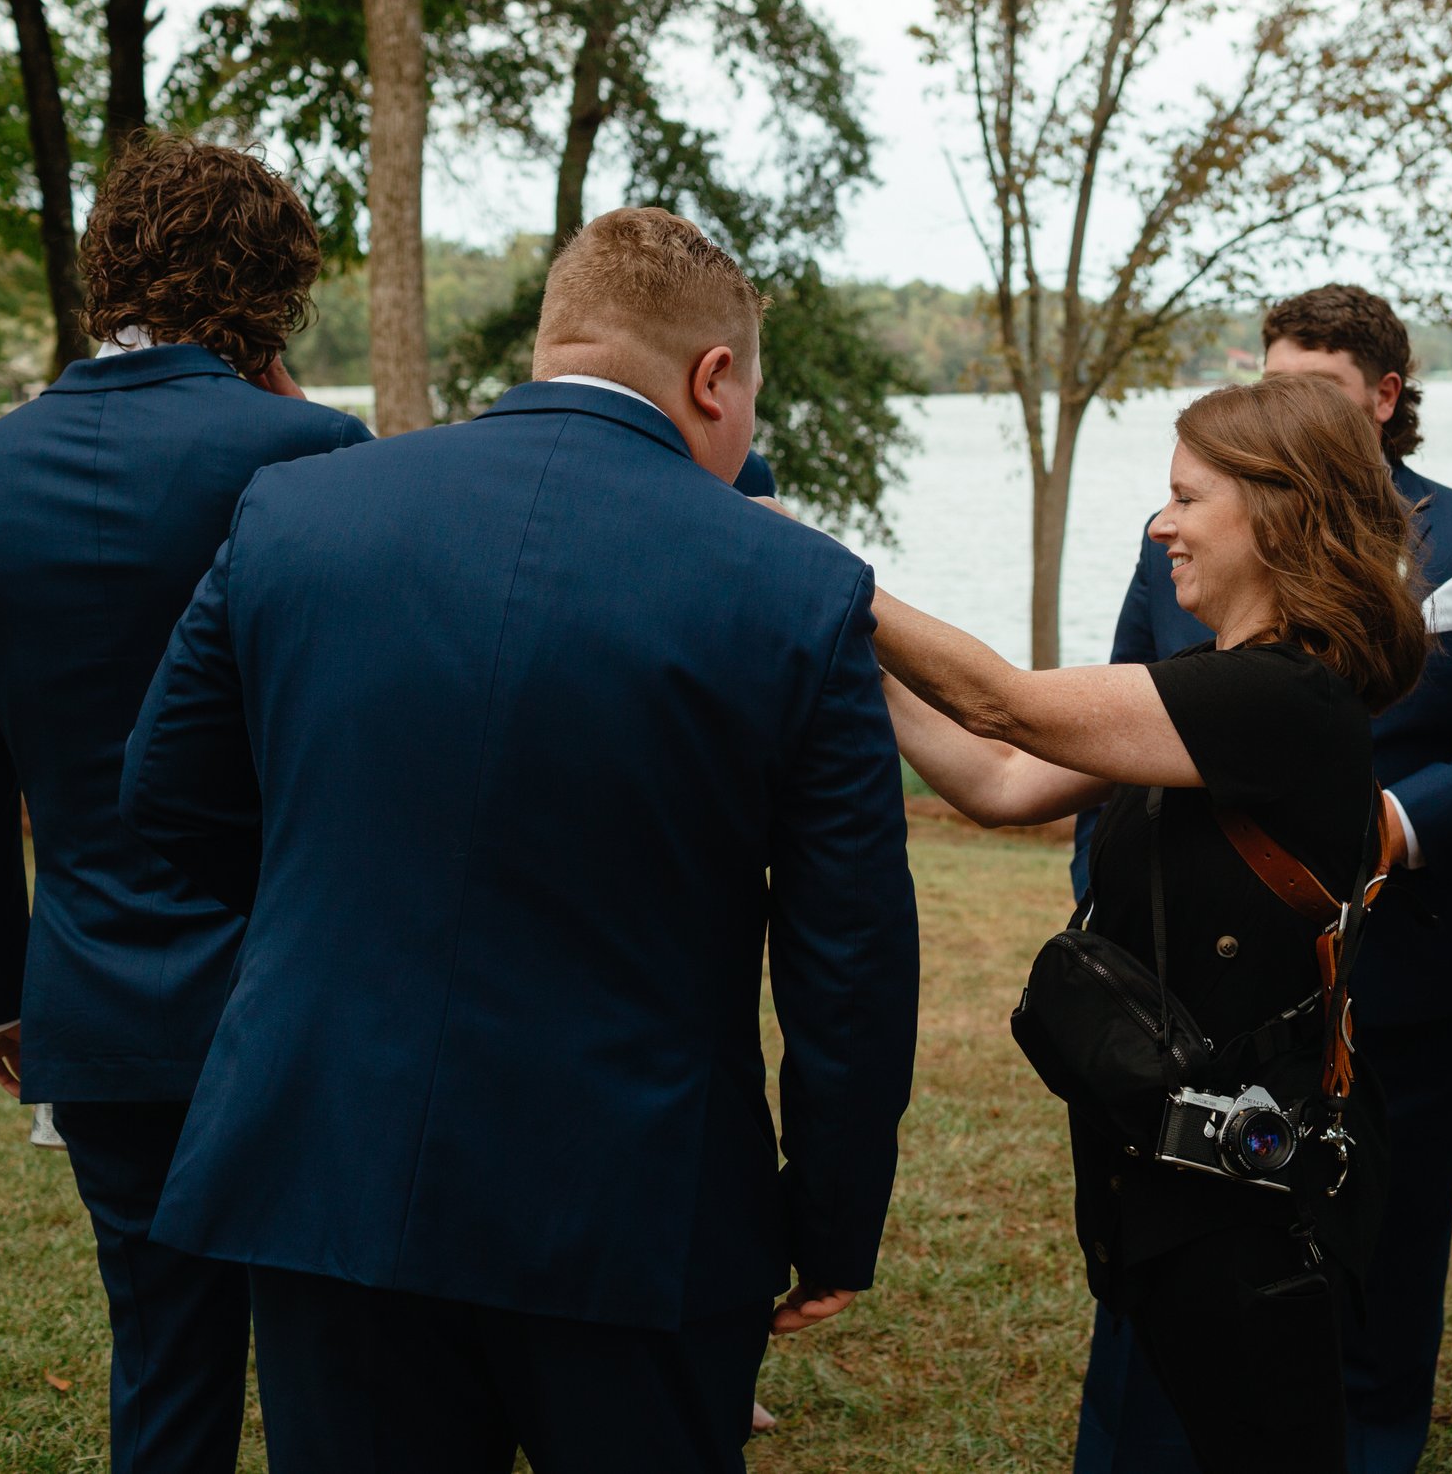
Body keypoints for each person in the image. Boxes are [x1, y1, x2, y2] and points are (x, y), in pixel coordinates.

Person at [117, 208, 917, 1472]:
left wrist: (330, 904)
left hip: (333, 1168)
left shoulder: (297, 512)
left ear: (557, 342)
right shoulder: (799, 590)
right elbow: (849, 956)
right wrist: (827, 1219)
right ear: (715, 376)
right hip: (638, 1202)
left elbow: (165, 799)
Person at [1069, 284, 1452, 1474]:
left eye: (1307, 394)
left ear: (1383, 397)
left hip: (1414, 959)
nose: (1276, 417)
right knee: (1173, 1234)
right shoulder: (1185, 541)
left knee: (1379, 1244)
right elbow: (1112, 717)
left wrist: (1393, 824)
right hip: (1208, 981)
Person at [0, 136, 372, 1473]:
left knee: (163, 1357)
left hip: (94, 1001)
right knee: (335, 1369)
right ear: (272, 290)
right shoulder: (313, 454)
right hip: (298, 998)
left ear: (105, 267)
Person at [879, 370, 1423, 1474]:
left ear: (1274, 512)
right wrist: (847, 646)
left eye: (1185, 496)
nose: (1159, 524)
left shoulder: (1282, 700)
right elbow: (994, 777)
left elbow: (1004, 703)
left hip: (1243, 1209)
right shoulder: (1207, 690)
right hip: (1176, 1181)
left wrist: (831, 583)